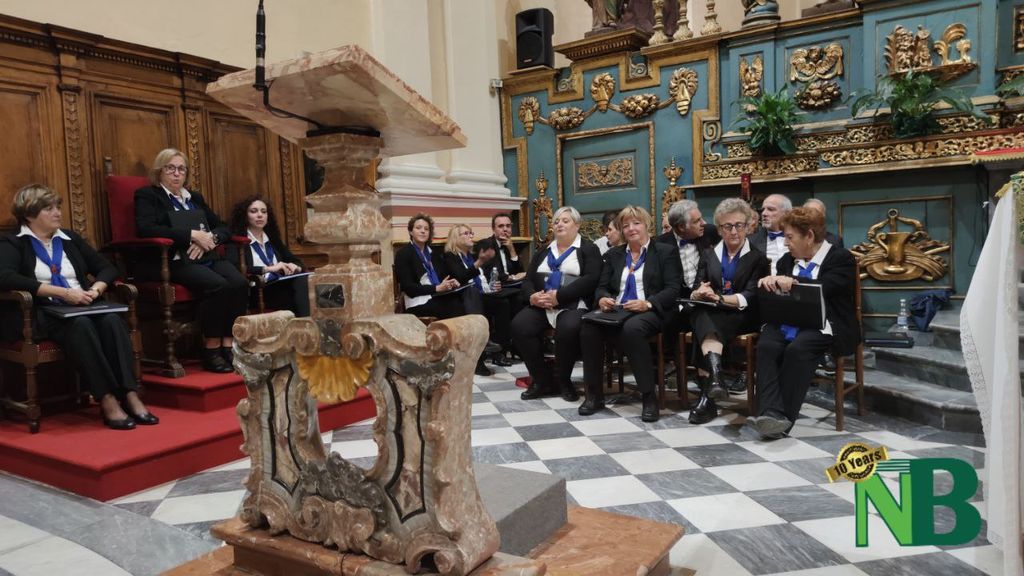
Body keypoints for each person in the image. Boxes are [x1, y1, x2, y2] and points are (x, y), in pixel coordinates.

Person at [0, 184, 157, 430]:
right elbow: (5, 277)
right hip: (42, 312)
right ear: (29, 215)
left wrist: (96, 290)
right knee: (80, 325)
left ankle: (129, 393)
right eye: (49, 208)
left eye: (58, 207)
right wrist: (62, 292)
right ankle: (106, 399)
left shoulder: (69, 239)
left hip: (82, 305)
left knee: (111, 321)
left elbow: (106, 268)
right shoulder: (13, 242)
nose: (57, 212)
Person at [135, 148, 248, 374]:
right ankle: (211, 349)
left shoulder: (194, 198)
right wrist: (192, 235)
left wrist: (211, 238)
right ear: (159, 171)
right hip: (174, 260)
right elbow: (146, 228)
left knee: (240, 283)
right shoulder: (148, 196)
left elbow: (223, 226)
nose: (177, 173)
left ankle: (228, 345)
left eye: (181, 169)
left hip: (206, 254)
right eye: (171, 168)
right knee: (218, 285)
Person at [751, 207, 859, 439]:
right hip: (788, 320)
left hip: (826, 325)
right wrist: (771, 282)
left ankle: (782, 420)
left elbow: (826, 288)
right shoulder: (786, 261)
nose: (785, 243)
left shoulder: (841, 258)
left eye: (790, 237)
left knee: (798, 349)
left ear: (809, 236)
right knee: (767, 345)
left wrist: (793, 281)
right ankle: (770, 413)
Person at [580, 206, 682, 422]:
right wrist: (602, 298)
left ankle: (648, 396)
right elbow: (602, 287)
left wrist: (648, 303)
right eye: (625, 225)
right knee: (588, 326)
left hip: (652, 309)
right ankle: (594, 394)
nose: (631, 229)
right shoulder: (613, 255)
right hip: (619, 309)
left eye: (636, 223)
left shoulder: (665, 252)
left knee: (632, 329)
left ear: (647, 225)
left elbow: (674, 289)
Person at [685, 198, 769, 424]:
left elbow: (751, 295)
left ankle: (708, 395)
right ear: (719, 229)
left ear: (748, 226)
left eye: (739, 225)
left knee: (703, 321)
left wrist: (721, 298)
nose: (734, 231)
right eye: (727, 226)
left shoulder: (758, 258)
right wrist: (699, 293)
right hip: (712, 311)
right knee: (701, 314)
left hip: (742, 314)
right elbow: (697, 287)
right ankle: (714, 382)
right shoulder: (709, 254)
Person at [511, 206, 602, 401]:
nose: (559, 224)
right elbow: (528, 280)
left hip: (572, 303)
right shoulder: (544, 251)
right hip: (543, 303)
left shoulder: (588, 249)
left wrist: (559, 296)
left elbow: (591, 279)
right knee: (519, 326)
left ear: (577, 225)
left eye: (565, 221)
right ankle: (542, 380)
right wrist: (532, 296)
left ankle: (563, 381)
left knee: (568, 328)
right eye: (556, 221)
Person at [227, 196, 310, 317]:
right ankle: (309, 323)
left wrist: (296, 267)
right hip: (258, 289)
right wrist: (269, 269)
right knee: (306, 295)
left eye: (264, 211)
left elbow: (296, 261)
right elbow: (234, 268)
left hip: (280, 284)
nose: (260, 215)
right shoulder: (237, 240)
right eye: (253, 211)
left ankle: (308, 322)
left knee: (306, 283)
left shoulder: (273, 239)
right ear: (245, 215)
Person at [442, 224, 507, 376]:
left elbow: (481, 278)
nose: (471, 236)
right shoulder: (450, 256)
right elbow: (461, 277)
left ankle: (499, 351)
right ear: (456, 238)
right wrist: (479, 262)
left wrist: (492, 286)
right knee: (473, 292)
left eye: (471, 233)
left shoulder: (470, 256)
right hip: (460, 297)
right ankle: (479, 357)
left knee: (503, 303)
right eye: (466, 233)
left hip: (479, 293)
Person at [475, 213, 526, 364]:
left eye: (508, 226)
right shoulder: (485, 244)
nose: (505, 229)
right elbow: (491, 271)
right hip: (490, 290)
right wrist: (512, 277)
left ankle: (517, 344)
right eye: (501, 226)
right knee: (505, 303)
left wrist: (512, 250)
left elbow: (520, 270)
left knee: (522, 298)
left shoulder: (510, 245)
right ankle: (500, 351)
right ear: (493, 229)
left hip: (508, 289)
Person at [394, 213, 464, 320]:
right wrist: (436, 288)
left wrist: (451, 282)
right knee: (453, 306)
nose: (423, 231)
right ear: (410, 231)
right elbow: (409, 288)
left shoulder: (433, 253)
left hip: (438, 296)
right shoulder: (403, 254)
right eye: (418, 228)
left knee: (462, 298)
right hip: (418, 301)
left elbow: (444, 276)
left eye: (426, 229)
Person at [748, 193, 792, 274]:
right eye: (763, 210)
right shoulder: (750, 242)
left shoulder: (799, 238)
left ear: (786, 213)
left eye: (770, 209)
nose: (764, 213)